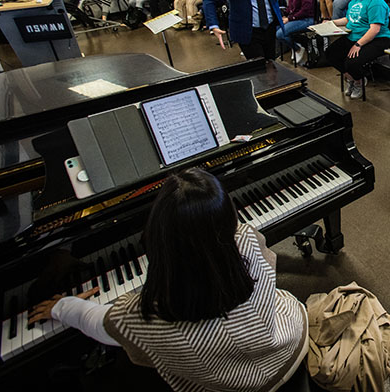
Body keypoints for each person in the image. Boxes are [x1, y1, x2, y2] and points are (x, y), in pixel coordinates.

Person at [27, 168, 308, 391]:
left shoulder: (143, 316)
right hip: (290, 345)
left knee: (132, 367)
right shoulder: (246, 239)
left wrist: (63, 307)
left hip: (233, 385)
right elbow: (267, 267)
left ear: (160, 238)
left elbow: (99, 324)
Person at [326, 0, 390, 99]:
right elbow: (348, 19)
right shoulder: (355, 0)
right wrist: (330, 23)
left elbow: (375, 29)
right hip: (356, 35)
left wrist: (358, 44)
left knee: (352, 62)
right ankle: (352, 79)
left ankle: (358, 81)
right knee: (330, 54)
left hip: (377, 39)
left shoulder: (375, 2)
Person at [277, 0, 316, 66]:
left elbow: (305, 11)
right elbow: (290, 8)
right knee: (275, 26)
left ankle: (297, 49)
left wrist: (289, 19)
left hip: (307, 19)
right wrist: (284, 15)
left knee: (280, 34)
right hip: (295, 18)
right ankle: (294, 46)